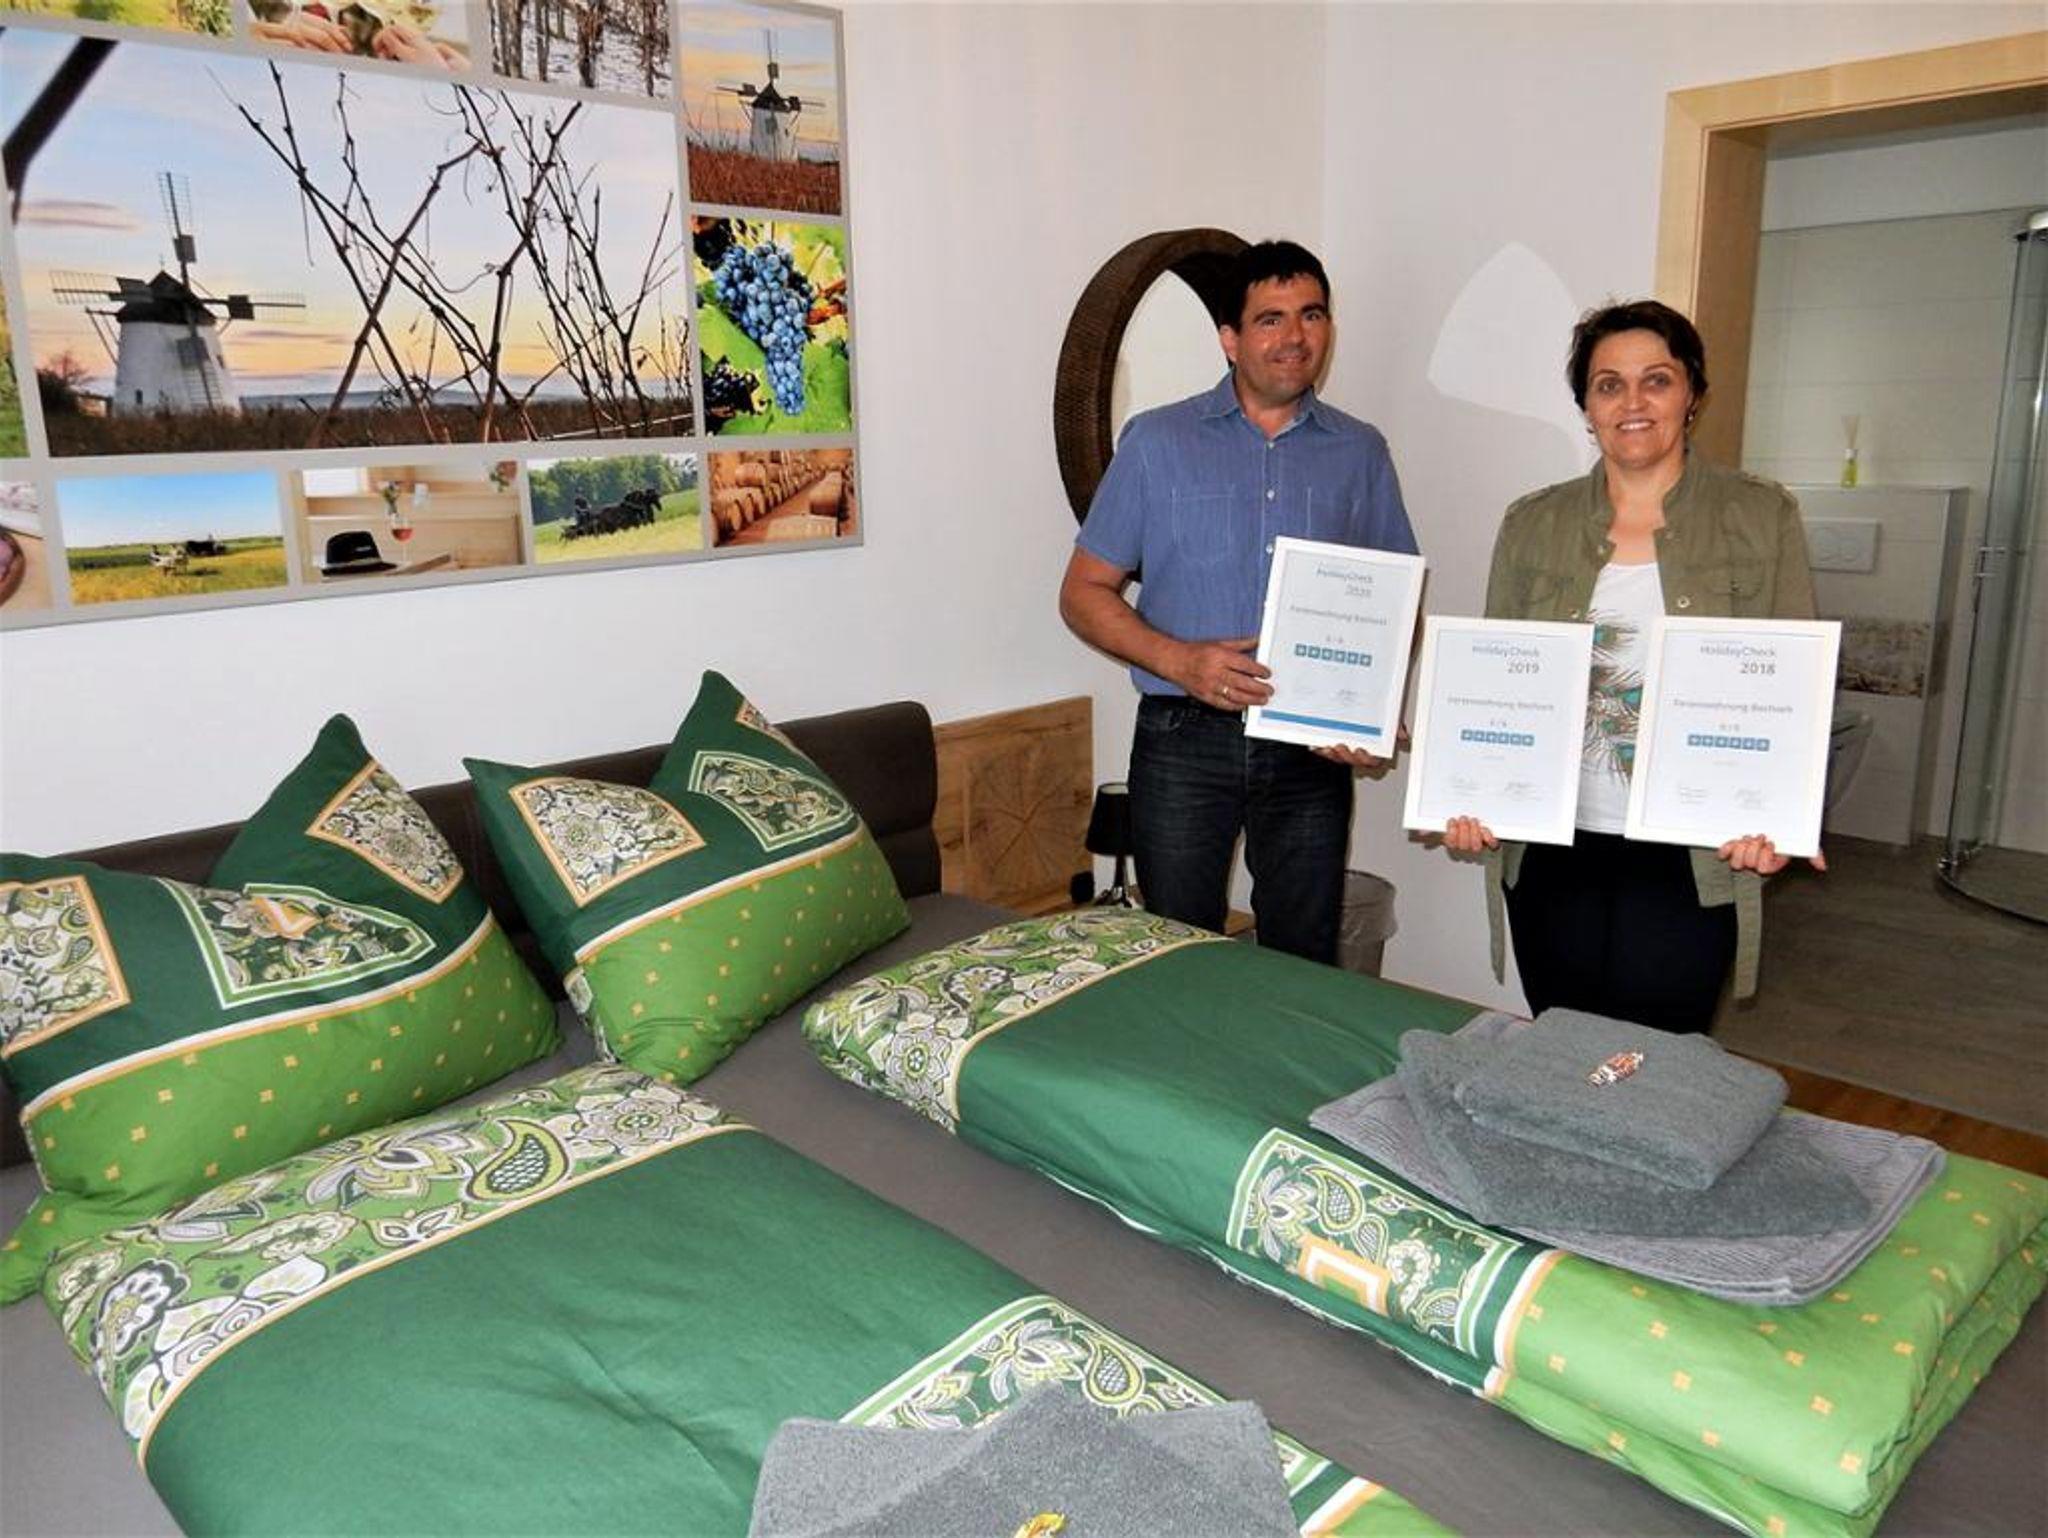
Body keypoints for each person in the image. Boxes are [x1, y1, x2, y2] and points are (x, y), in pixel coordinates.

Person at [1441, 298, 1823, 1032]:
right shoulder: (1532, 523)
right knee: (1563, 1040)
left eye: (1657, 380)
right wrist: (1472, 795)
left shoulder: (1760, 516)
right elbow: (1495, 684)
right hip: (1552, 843)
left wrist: (1780, 818)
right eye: (1609, 385)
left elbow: (1795, 689)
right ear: (1587, 408)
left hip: (1689, 849)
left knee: (1655, 1059)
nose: (1633, 402)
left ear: (1693, 394)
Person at [1059, 240, 1418, 964]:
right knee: (1180, 955)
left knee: (1303, 961)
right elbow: (1081, 594)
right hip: (1183, 740)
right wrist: (1179, 661)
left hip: (1309, 750)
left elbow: (1394, 603)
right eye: (1270, 319)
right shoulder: (1156, 442)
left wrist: (1368, 710)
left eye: (1311, 314)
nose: (1296, 336)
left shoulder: (1360, 452)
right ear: (1230, 339)